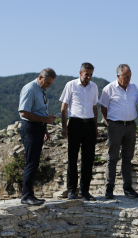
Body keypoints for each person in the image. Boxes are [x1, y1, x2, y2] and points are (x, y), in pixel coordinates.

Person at [99, 64, 138, 199]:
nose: (128, 79)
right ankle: (109, 188)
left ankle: (128, 188)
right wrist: (109, 123)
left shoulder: (134, 88)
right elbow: (103, 108)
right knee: (112, 157)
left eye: (129, 76)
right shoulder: (109, 89)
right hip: (115, 126)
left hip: (131, 125)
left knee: (128, 158)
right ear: (118, 76)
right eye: (125, 76)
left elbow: (134, 104)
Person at [60, 62, 99, 201]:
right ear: (80, 73)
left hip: (89, 124)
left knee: (88, 159)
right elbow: (64, 106)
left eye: (90, 74)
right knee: (72, 158)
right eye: (86, 74)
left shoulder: (94, 87)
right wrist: (64, 126)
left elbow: (94, 107)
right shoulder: (70, 85)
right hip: (75, 123)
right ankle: (71, 190)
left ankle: (84, 190)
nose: (88, 77)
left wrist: (95, 128)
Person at [18, 68, 57, 205]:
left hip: (39, 128)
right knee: (31, 162)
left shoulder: (41, 90)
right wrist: (44, 120)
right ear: (40, 77)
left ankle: (30, 195)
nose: (48, 86)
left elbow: (40, 111)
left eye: (50, 84)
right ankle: (26, 196)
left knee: (34, 162)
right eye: (46, 83)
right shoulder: (30, 89)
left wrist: (45, 126)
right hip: (30, 128)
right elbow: (24, 113)